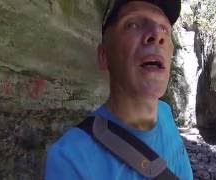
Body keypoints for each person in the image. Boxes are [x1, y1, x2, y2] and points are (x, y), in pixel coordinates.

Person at [44, 0, 193, 179]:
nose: (157, 34)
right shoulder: (70, 160)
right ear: (104, 56)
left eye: (164, 29)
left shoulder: (165, 113)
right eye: (133, 24)